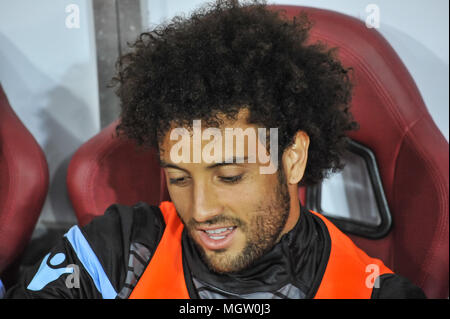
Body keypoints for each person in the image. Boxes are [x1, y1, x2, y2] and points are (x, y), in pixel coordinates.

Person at [6, 0, 425, 299]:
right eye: (179, 178)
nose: (200, 210)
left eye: (229, 176)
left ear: (292, 158)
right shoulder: (118, 250)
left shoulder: (372, 291)